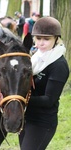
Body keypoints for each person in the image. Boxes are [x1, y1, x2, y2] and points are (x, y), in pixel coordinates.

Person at [19, 16, 69, 150]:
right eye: (38, 38)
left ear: (56, 39)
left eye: (46, 39)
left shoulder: (59, 65)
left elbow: (49, 100)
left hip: (42, 122)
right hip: (27, 118)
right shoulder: (35, 58)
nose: (41, 43)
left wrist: (22, 99)